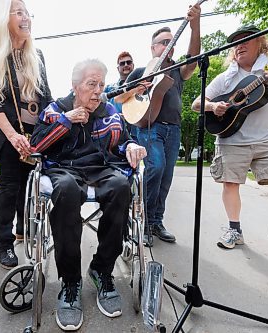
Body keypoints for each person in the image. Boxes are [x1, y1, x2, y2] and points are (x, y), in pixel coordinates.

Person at [31, 59, 147, 331]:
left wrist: (132, 147)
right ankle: (70, 282)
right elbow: (35, 146)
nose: (97, 91)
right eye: (91, 84)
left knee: (121, 186)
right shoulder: (55, 109)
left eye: (101, 85)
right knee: (67, 191)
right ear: (75, 87)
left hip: (102, 167)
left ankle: (101, 270)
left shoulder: (110, 112)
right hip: (63, 168)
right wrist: (65, 121)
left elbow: (125, 140)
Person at [191, 25, 268, 263]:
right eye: (236, 43)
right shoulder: (226, 78)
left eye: (246, 40)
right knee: (230, 184)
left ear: (260, 43)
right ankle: (234, 228)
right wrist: (213, 106)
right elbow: (196, 103)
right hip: (232, 138)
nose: (240, 45)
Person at [116, 3, 201, 246]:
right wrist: (137, 87)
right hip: (148, 127)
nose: (168, 45)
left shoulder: (176, 71)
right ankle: (142, 220)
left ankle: (155, 221)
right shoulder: (141, 71)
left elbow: (193, 59)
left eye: (170, 41)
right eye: (163, 42)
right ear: (153, 48)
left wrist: (195, 26)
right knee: (156, 167)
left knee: (166, 176)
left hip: (173, 129)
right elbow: (121, 98)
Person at [0, 0, 52, 269]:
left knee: (29, 185)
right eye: (18, 12)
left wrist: (50, 129)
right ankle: (5, 244)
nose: (26, 17)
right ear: (4, 19)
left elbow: (47, 99)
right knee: (9, 186)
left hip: (35, 132)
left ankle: (24, 229)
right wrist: (14, 137)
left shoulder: (37, 55)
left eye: (27, 12)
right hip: (7, 131)